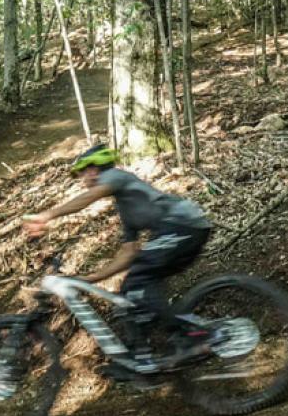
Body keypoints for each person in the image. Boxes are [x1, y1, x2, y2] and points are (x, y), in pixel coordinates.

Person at [23, 144, 213, 368]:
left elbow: (89, 197)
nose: (83, 179)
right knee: (132, 289)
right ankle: (144, 356)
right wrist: (90, 279)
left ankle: (192, 338)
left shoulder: (116, 176)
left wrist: (47, 215)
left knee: (139, 280)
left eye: (83, 173)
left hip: (182, 225)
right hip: (182, 230)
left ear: (93, 169)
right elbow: (128, 254)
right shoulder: (127, 208)